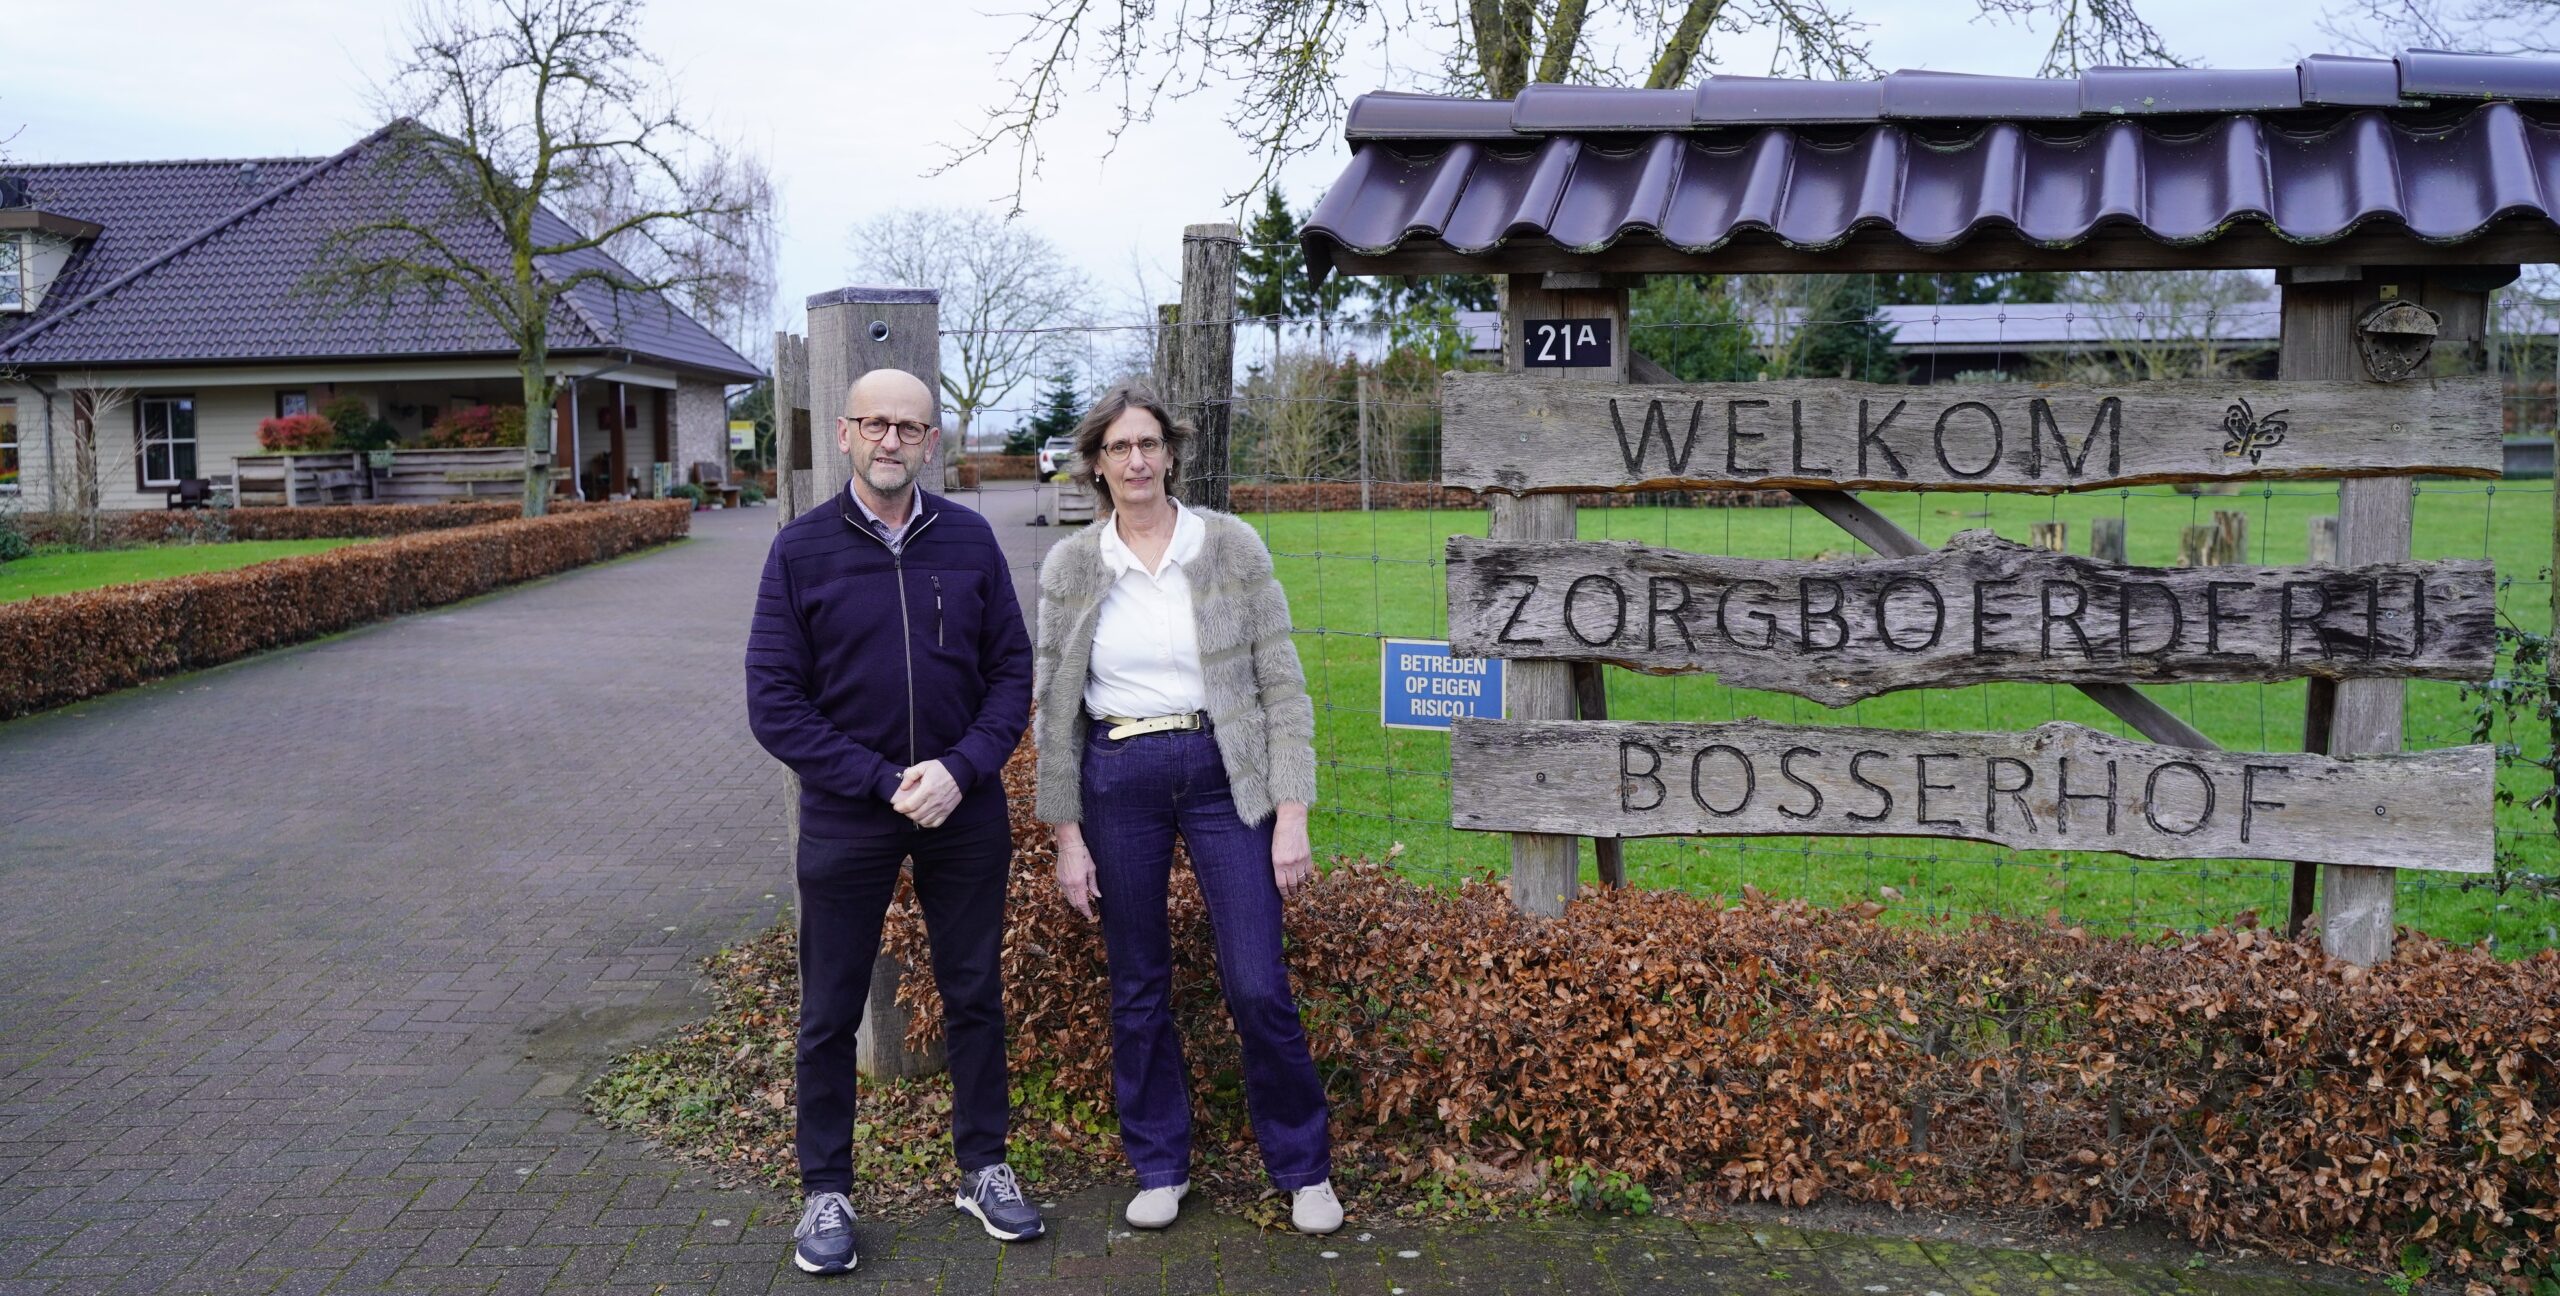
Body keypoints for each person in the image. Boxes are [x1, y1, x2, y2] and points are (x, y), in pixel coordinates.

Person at [745, 368, 1040, 1276]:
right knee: (830, 1008)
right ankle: (825, 1188)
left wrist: (961, 770)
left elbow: (1012, 677)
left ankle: (983, 1166)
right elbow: (774, 703)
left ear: (931, 442)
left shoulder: (971, 540)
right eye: (875, 423)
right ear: (845, 434)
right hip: (850, 815)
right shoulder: (799, 551)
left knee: (974, 994)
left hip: (964, 809)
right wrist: (881, 782)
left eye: (909, 427)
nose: (890, 441)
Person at [1030, 382, 1341, 1235]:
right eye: (1118, 448)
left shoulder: (1230, 547)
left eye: (1149, 445)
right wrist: (1067, 836)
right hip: (1117, 775)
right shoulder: (1073, 566)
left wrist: (1292, 812)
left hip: (1220, 770)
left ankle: (1303, 1169)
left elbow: (1283, 683)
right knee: (1138, 985)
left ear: (1170, 454)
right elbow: (1052, 706)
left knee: (1255, 982)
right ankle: (1160, 1165)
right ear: (1097, 464)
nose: (1136, 461)